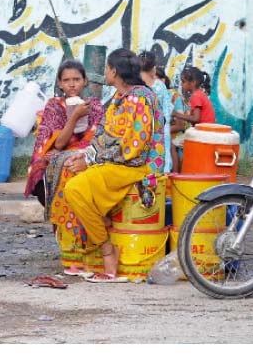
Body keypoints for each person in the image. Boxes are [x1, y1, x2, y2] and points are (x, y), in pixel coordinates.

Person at [60, 49, 165, 282]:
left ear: (114, 71)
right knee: (69, 176)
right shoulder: (118, 99)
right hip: (117, 164)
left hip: (138, 166)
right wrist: (85, 157)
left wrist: (92, 162)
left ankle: (107, 251)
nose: (105, 72)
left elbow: (133, 149)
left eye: (107, 68)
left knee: (76, 189)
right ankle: (95, 233)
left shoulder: (140, 99)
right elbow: (102, 136)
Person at [24, 60, 104, 209]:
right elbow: (59, 144)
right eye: (66, 80)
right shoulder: (54, 106)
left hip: (85, 155)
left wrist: (74, 152)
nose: (72, 85)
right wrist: (75, 116)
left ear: (85, 81)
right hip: (59, 156)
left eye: (76, 79)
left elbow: (97, 139)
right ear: (60, 84)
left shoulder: (94, 105)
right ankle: (61, 222)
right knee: (47, 166)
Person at [139, 51, 173, 173]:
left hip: (141, 134)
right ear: (153, 69)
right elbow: (167, 112)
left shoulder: (134, 86)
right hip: (159, 133)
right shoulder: (160, 86)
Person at [156, 66, 188, 171]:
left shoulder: (174, 98)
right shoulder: (150, 97)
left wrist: (159, 133)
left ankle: (174, 175)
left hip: (175, 136)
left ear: (163, 80)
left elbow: (180, 125)